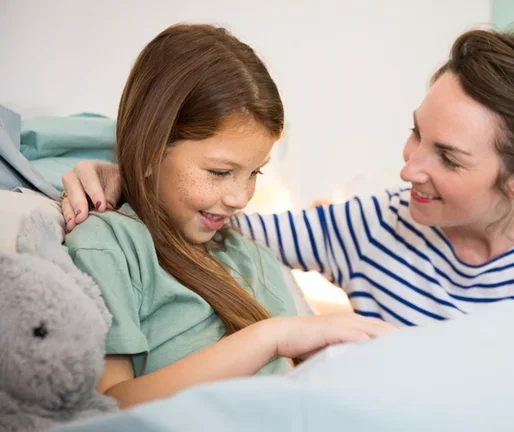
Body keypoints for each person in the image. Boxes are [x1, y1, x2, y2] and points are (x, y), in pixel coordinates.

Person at [61, 22, 514, 347]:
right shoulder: (375, 223)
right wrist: (127, 178)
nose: (409, 168)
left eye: (448, 158)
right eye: (416, 133)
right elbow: (218, 220)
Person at [62, 24, 394, 410]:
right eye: (220, 172)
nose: (240, 198)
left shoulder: (248, 254)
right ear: (151, 149)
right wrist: (270, 338)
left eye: (255, 173)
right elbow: (112, 407)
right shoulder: (111, 246)